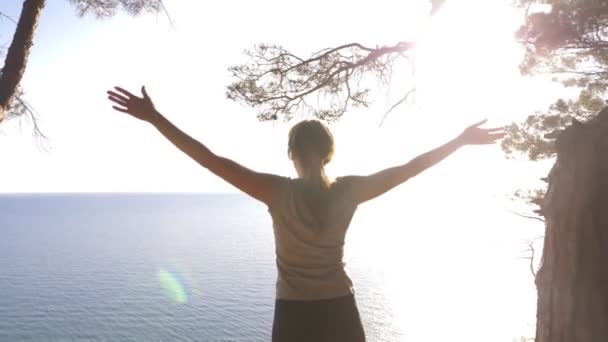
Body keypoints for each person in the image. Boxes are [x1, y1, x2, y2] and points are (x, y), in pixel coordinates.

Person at [106, 86, 505, 342]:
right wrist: (460, 140)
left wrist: (155, 118)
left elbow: (209, 159)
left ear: (292, 153)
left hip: (293, 313)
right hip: (339, 308)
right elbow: (410, 166)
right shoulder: (349, 190)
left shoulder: (276, 192)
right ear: (328, 153)